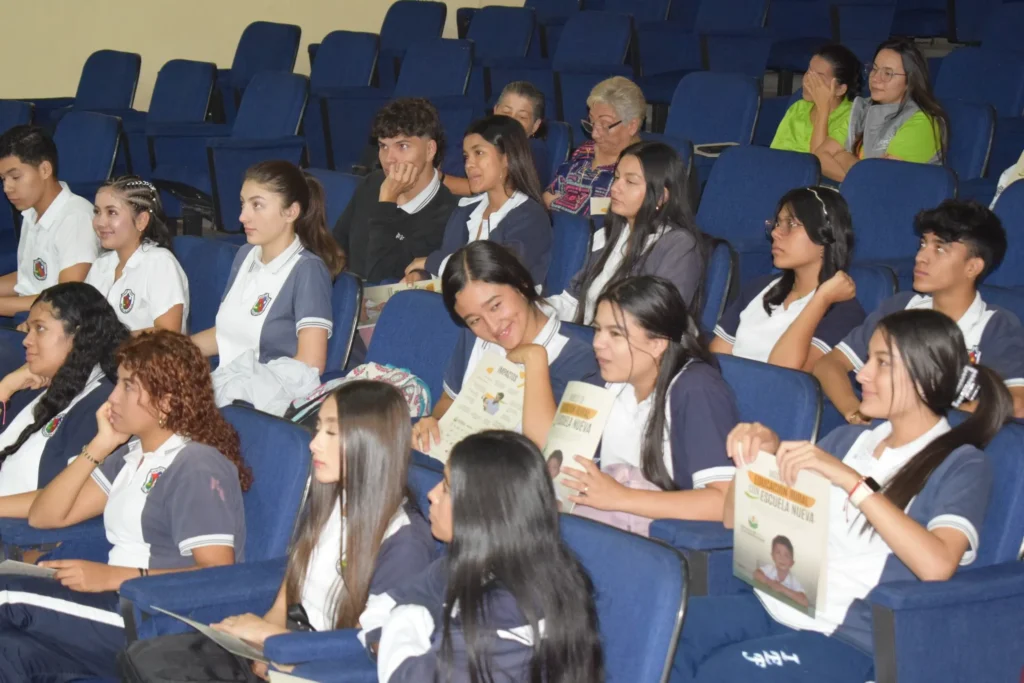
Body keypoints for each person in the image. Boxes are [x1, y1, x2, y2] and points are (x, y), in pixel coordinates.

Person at [673, 309, 1012, 682]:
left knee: (726, 673)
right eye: (867, 359)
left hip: (847, 636)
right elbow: (731, 518)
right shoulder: (848, 440)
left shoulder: (961, 464)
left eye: (881, 363)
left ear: (925, 376)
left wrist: (852, 482)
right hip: (774, 603)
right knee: (669, 633)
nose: (861, 373)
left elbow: (937, 566)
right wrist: (756, 458)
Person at [117, 381, 435, 682]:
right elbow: (292, 584)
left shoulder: (404, 542)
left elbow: (376, 648)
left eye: (331, 432)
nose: (314, 443)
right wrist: (263, 637)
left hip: (319, 669)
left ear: (371, 443)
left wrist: (274, 643)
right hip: (283, 649)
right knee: (147, 658)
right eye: (318, 428)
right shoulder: (332, 499)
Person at [0, 330, 250, 681]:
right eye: (117, 384)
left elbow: (217, 575)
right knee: (11, 654)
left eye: (128, 387)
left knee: (5, 594)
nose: (112, 399)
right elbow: (46, 515)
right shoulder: (132, 455)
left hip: (155, 619)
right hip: (113, 607)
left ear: (165, 401)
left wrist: (115, 576)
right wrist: (101, 445)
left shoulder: (196, 464)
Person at [362, 430, 604, 682]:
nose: (431, 495)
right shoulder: (474, 564)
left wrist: (405, 621)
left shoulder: (510, 611)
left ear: (482, 508)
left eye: (446, 488)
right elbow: (383, 604)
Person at [813, 199, 1024, 421]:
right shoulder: (901, 306)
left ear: (972, 267)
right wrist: (854, 412)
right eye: (923, 244)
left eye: (940, 248)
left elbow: (1017, 403)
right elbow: (829, 364)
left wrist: (929, 416)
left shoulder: (995, 325)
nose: (920, 257)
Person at [560, 277, 739, 536]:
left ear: (657, 344)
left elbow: (724, 502)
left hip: (661, 543)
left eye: (615, 334)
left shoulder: (697, 389)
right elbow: (559, 460)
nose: (598, 343)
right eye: (598, 329)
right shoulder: (604, 379)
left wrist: (621, 497)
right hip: (609, 526)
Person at [412, 242, 600, 452]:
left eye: (495, 306)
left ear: (521, 284)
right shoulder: (473, 337)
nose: (492, 327)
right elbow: (450, 400)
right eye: (474, 320)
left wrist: (535, 359)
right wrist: (435, 422)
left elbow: (552, 459)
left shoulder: (585, 358)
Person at [192, 161, 343, 416]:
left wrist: (238, 385)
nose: (242, 217)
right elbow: (226, 333)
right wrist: (168, 349)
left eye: (257, 205)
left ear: (290, 212)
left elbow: (310, 364)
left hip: (264, 404)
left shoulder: (307, 270)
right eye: (243, 204)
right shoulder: (245, 255)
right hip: (228, 388)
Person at [547, 140, 705, 324]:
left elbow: (656, 322)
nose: (614, 188)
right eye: (616, 177)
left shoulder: (678, 246)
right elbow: (573, 301)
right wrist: (534, 309)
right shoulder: (611, 231)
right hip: (591, 337)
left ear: (661, 196)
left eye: (630, 181)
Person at [0, 283, 129, 506]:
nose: (26, 341)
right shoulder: (37, 383)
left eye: (40, 329)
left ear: (79, 335)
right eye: (29, 329)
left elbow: (60, 498)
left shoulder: (105, 404)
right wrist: (5, 387)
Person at [712, 187, 865, 370]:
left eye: (791, 224)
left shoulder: (843, 312)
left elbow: (786, 379)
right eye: (777, 223)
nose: (776, 232)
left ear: (825, 235)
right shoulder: (759, 288)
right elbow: (716, 360)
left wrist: (820, 300)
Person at [405, 115, 552, 286]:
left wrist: (432, 262)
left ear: (507, 158)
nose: (469, 164)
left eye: (479, 153)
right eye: (466, 156)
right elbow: (448, 266)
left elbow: (495, 273)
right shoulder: (466, 210)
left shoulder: (530, 216)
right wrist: (424, 277)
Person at [332, 98, 458, 283]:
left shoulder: (448, 214)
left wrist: (387, 202)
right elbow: (337, 245)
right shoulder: (372, 183)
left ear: (430, 150)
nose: (389, 158)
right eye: (383, 146)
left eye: (402, 146)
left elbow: (380, 281)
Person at [814, 38, 948, 182]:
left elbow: (881, 180)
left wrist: (842, 155)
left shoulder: (923, 122)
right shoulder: (862, 109)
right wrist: (857, 178)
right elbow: (820, 156)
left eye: (887, 73)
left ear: (910, 81)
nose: (876, 78)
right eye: (875, 69)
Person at [0, 125, 98, 318]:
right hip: (31, 317)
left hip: (57, 326)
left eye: (15, 177)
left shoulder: (75, 217)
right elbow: (27, 279)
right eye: (3, 179)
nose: (7, 188)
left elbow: (66, 300)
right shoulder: (31, 212)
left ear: (45, 169)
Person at [85, 176, 189, 333]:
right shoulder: (102, 264)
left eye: (112, 212)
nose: (100, 222)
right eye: (97, 212)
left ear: (141, 220)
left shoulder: (160, 263)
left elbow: (167, 334)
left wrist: (108, 343)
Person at [545, 76, 645, 216]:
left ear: (632, 126)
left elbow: (612, 209)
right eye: (591, 123)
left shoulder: (641, 164)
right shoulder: (585, 150)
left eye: (604, 125)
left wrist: (557, 203)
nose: (595, 135)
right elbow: (549, 192)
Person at [444, 81, 550, 195]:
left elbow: (498, 192)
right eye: (506, 112)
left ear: (535, 126)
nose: (510, 121)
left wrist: (438, 180)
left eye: (522, 117)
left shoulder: (534, 150)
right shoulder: (478, 137)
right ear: (495, 111)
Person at [771, 44, 862, 155]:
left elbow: (819, 162)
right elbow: (775, 155)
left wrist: (823, 109)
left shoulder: (853, 118)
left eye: (817, 78)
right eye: (808, 72)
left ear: (840, 89)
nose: (807, 80)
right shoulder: (798, 108)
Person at [753, 536, 809, 609]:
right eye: (778, 553)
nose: (782, 558)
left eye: (786, 555)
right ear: (772, 556)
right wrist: (770, 583)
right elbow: (756, 573)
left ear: (792, 563)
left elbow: (805, 602)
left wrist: (782, 589)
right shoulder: (770, 569)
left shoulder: (793, 581)